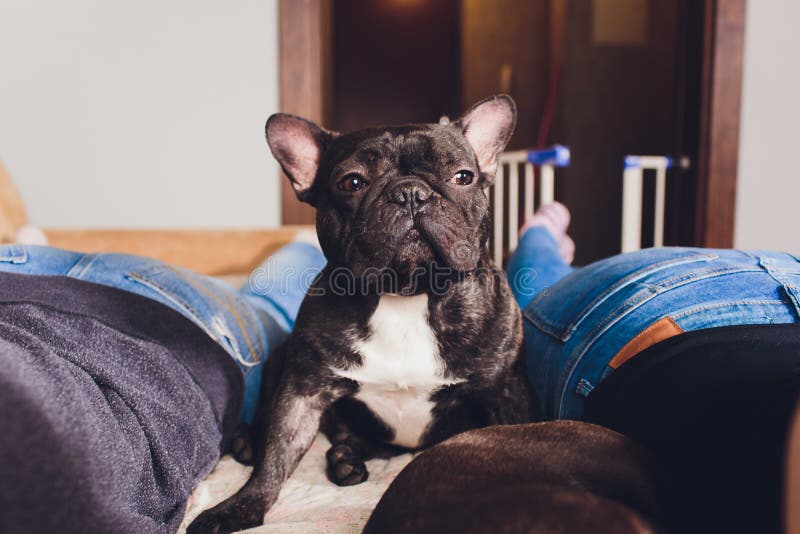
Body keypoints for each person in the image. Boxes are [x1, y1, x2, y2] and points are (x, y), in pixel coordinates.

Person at [1, 203, 798, 533]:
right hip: (685, 309)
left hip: (666, 315)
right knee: (287, 296)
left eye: (450, 181)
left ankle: (540, 231)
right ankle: (543, 230)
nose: (408, 201)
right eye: (357, 186)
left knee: (518, 292)